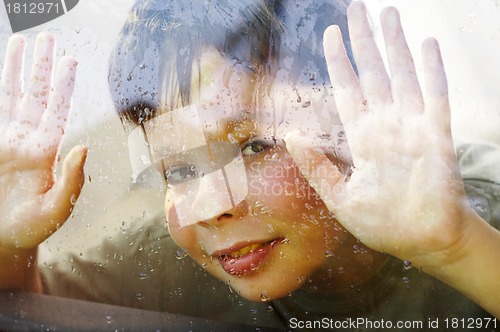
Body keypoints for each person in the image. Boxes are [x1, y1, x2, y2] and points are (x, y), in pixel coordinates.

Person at [0, 0, 499, 329]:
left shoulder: (479, 208)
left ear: (350, 115)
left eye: (255, 147)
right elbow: (29, 305)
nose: (213, 206)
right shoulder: (168, 255)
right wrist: (9, 246)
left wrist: (455, 249)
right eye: (178, 170)